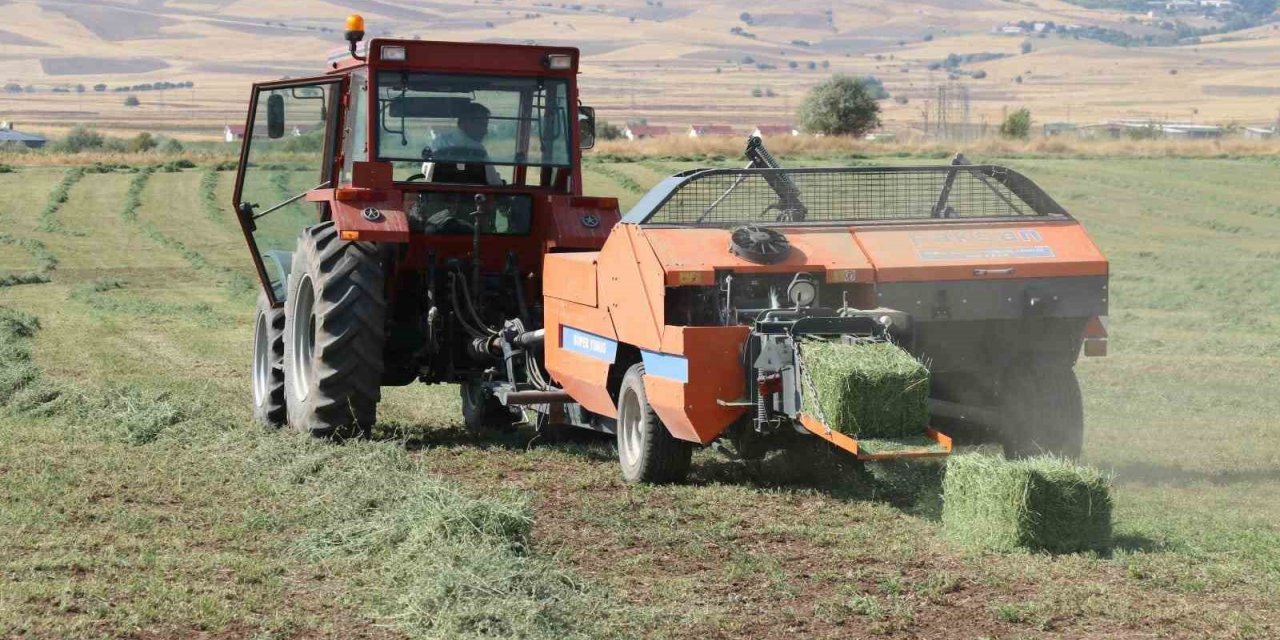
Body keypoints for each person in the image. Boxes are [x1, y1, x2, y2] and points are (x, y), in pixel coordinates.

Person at [425, 102, 501, 186]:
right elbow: (495, 183)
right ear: (465, 122)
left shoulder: (439, 142)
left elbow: (427, 175)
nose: (485, 131)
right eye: (482, 125)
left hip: (436, 196)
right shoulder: (478, 151)